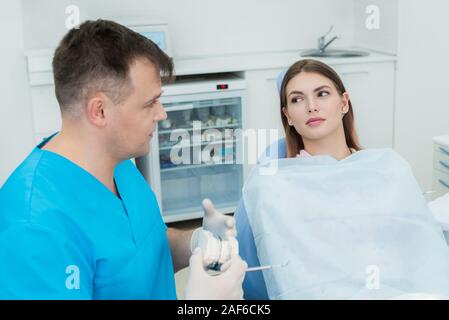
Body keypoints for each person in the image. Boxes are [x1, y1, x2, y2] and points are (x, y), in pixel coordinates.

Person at [0, 19, 246, 299]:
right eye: (149, 103)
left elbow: (144, 251)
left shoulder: (120, 166)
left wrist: (195, 243)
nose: (162, 114)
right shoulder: (35, 226)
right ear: (100, 111)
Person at [234, 59, 362, 299]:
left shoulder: (372, 170)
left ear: (344, 103)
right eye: (297, 99)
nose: (311, 107)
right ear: (288, 116)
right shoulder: (280, 184)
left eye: (322, 94)